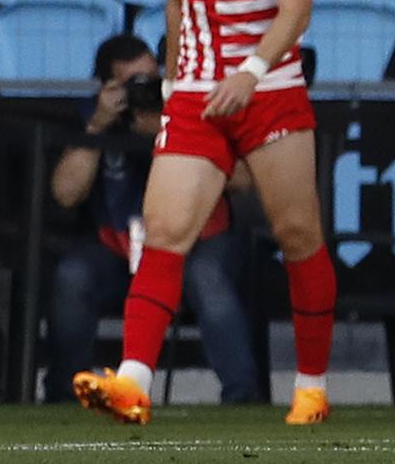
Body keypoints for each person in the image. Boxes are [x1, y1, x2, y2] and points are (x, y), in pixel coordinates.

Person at [74, 0, 335, 426]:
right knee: (163, 232)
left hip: (268, 89)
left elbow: (295, 7)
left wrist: (250, 70)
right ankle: (134, 382)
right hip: (196, 93)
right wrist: (175, 80)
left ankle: (312, 388)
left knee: (298, 235)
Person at [46, 34, 259, 405]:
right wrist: (97, 126)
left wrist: (172, 127)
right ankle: (64, 396)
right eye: (132, 85)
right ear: (107, 87)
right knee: (72, 276)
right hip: (118, 248)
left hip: (199, 244)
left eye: (151, 80)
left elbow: (242, 180)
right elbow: (65, 193)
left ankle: (243, 398)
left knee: (207, 276)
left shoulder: (191, 106)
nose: (144, 92)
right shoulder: (96, 117)